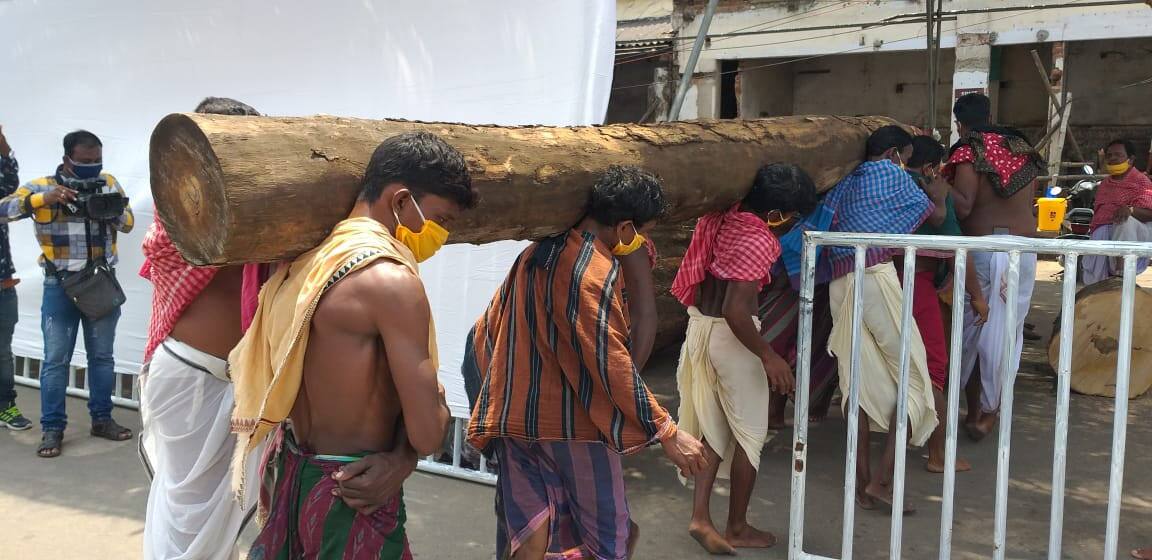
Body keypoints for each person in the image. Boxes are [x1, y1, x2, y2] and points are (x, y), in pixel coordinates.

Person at [140, 97, 389, 560]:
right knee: (187, 508)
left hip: (241, 384)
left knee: (221, 510)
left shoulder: (277, 213)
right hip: (192, 377)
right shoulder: (183, 208)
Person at [230, 131, 470, 559]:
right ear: (400, 201)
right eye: (442, 219)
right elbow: (429, 433)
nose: (441, 235)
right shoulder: (390, 282)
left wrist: (401, 457)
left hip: (293, 474)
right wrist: (412, 445)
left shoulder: (307, 262)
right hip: (355, 494)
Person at [466, 165, 707, 560]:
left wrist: (498, 398)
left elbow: (487, 329)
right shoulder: (591, 272)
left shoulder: (534, 255)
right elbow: (607, 359)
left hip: (513, 420)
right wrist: (666, 429)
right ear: (625, 227)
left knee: (530, 530)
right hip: (573, 428)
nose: (641, 242)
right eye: (642, 233)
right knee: (608, 540)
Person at [669, 163, 817, 554]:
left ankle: (701, 518)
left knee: (713, 433)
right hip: (732, 337)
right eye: (792, 218)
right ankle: (736, 526)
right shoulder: (757, 238)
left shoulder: (725, 215)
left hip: (701, 328)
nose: (790, 227)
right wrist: (769, 356)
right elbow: (737, 309)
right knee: (751, 437)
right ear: (775, 214)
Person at [822, 125, 939, 513]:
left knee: (856, 380)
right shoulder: (892, 173)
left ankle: (860, 484)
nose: (905, 164)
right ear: (893, 154)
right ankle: (882, 481)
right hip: (874, 275)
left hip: (839, 281)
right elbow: (927, 212)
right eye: (904, 157)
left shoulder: (845, 179)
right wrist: (933, 188)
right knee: (914, 377)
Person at [0, 130, 134, 458]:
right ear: (67, 160)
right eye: (85, 162)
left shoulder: (109, 183)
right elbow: (4, 209)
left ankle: (102, 420)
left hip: (100, 282)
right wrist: (42, 200)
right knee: (55, 360)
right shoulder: (42, 187)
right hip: (58, 285)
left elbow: (128, 223)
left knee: (102, 357)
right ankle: (52, 429)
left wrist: (107, 209)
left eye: (96, 161)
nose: (92, 167)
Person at [943, 93, 1046, 442]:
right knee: (1007, 335)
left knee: (973, 332)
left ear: (961, 122)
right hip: (1023, 249)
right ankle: (989, 411)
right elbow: (1030, 202)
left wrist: (935, 184)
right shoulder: (1023, 148)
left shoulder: (968, 149)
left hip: (984, 250)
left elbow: (965, 207)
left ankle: (976, 411)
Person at [904, 135, 987, 474]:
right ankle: (938, 455)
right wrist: (978, 297)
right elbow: (957, 251)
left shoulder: (883, 182)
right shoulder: (931, 189)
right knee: (935, 367)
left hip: (872, 280)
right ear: (929, 167)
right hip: (917, 284)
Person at [1081, 139, 1152, 285]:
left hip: (1137, 235)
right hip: (1107, 234)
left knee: (1125, 221)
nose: (1112, 158)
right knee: (1095, 289)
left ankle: (1121, 273)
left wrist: (1130, 210)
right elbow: (1100, 216)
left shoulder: (1142, 182)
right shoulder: (1105, 184)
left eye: (1118, 155)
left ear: (1130, 159)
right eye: (1109, 155)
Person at [0, 125, 29, 431]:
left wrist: (4, 146)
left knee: (2, 351)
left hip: (3, 284)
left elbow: (10, 187)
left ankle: (5, 407)